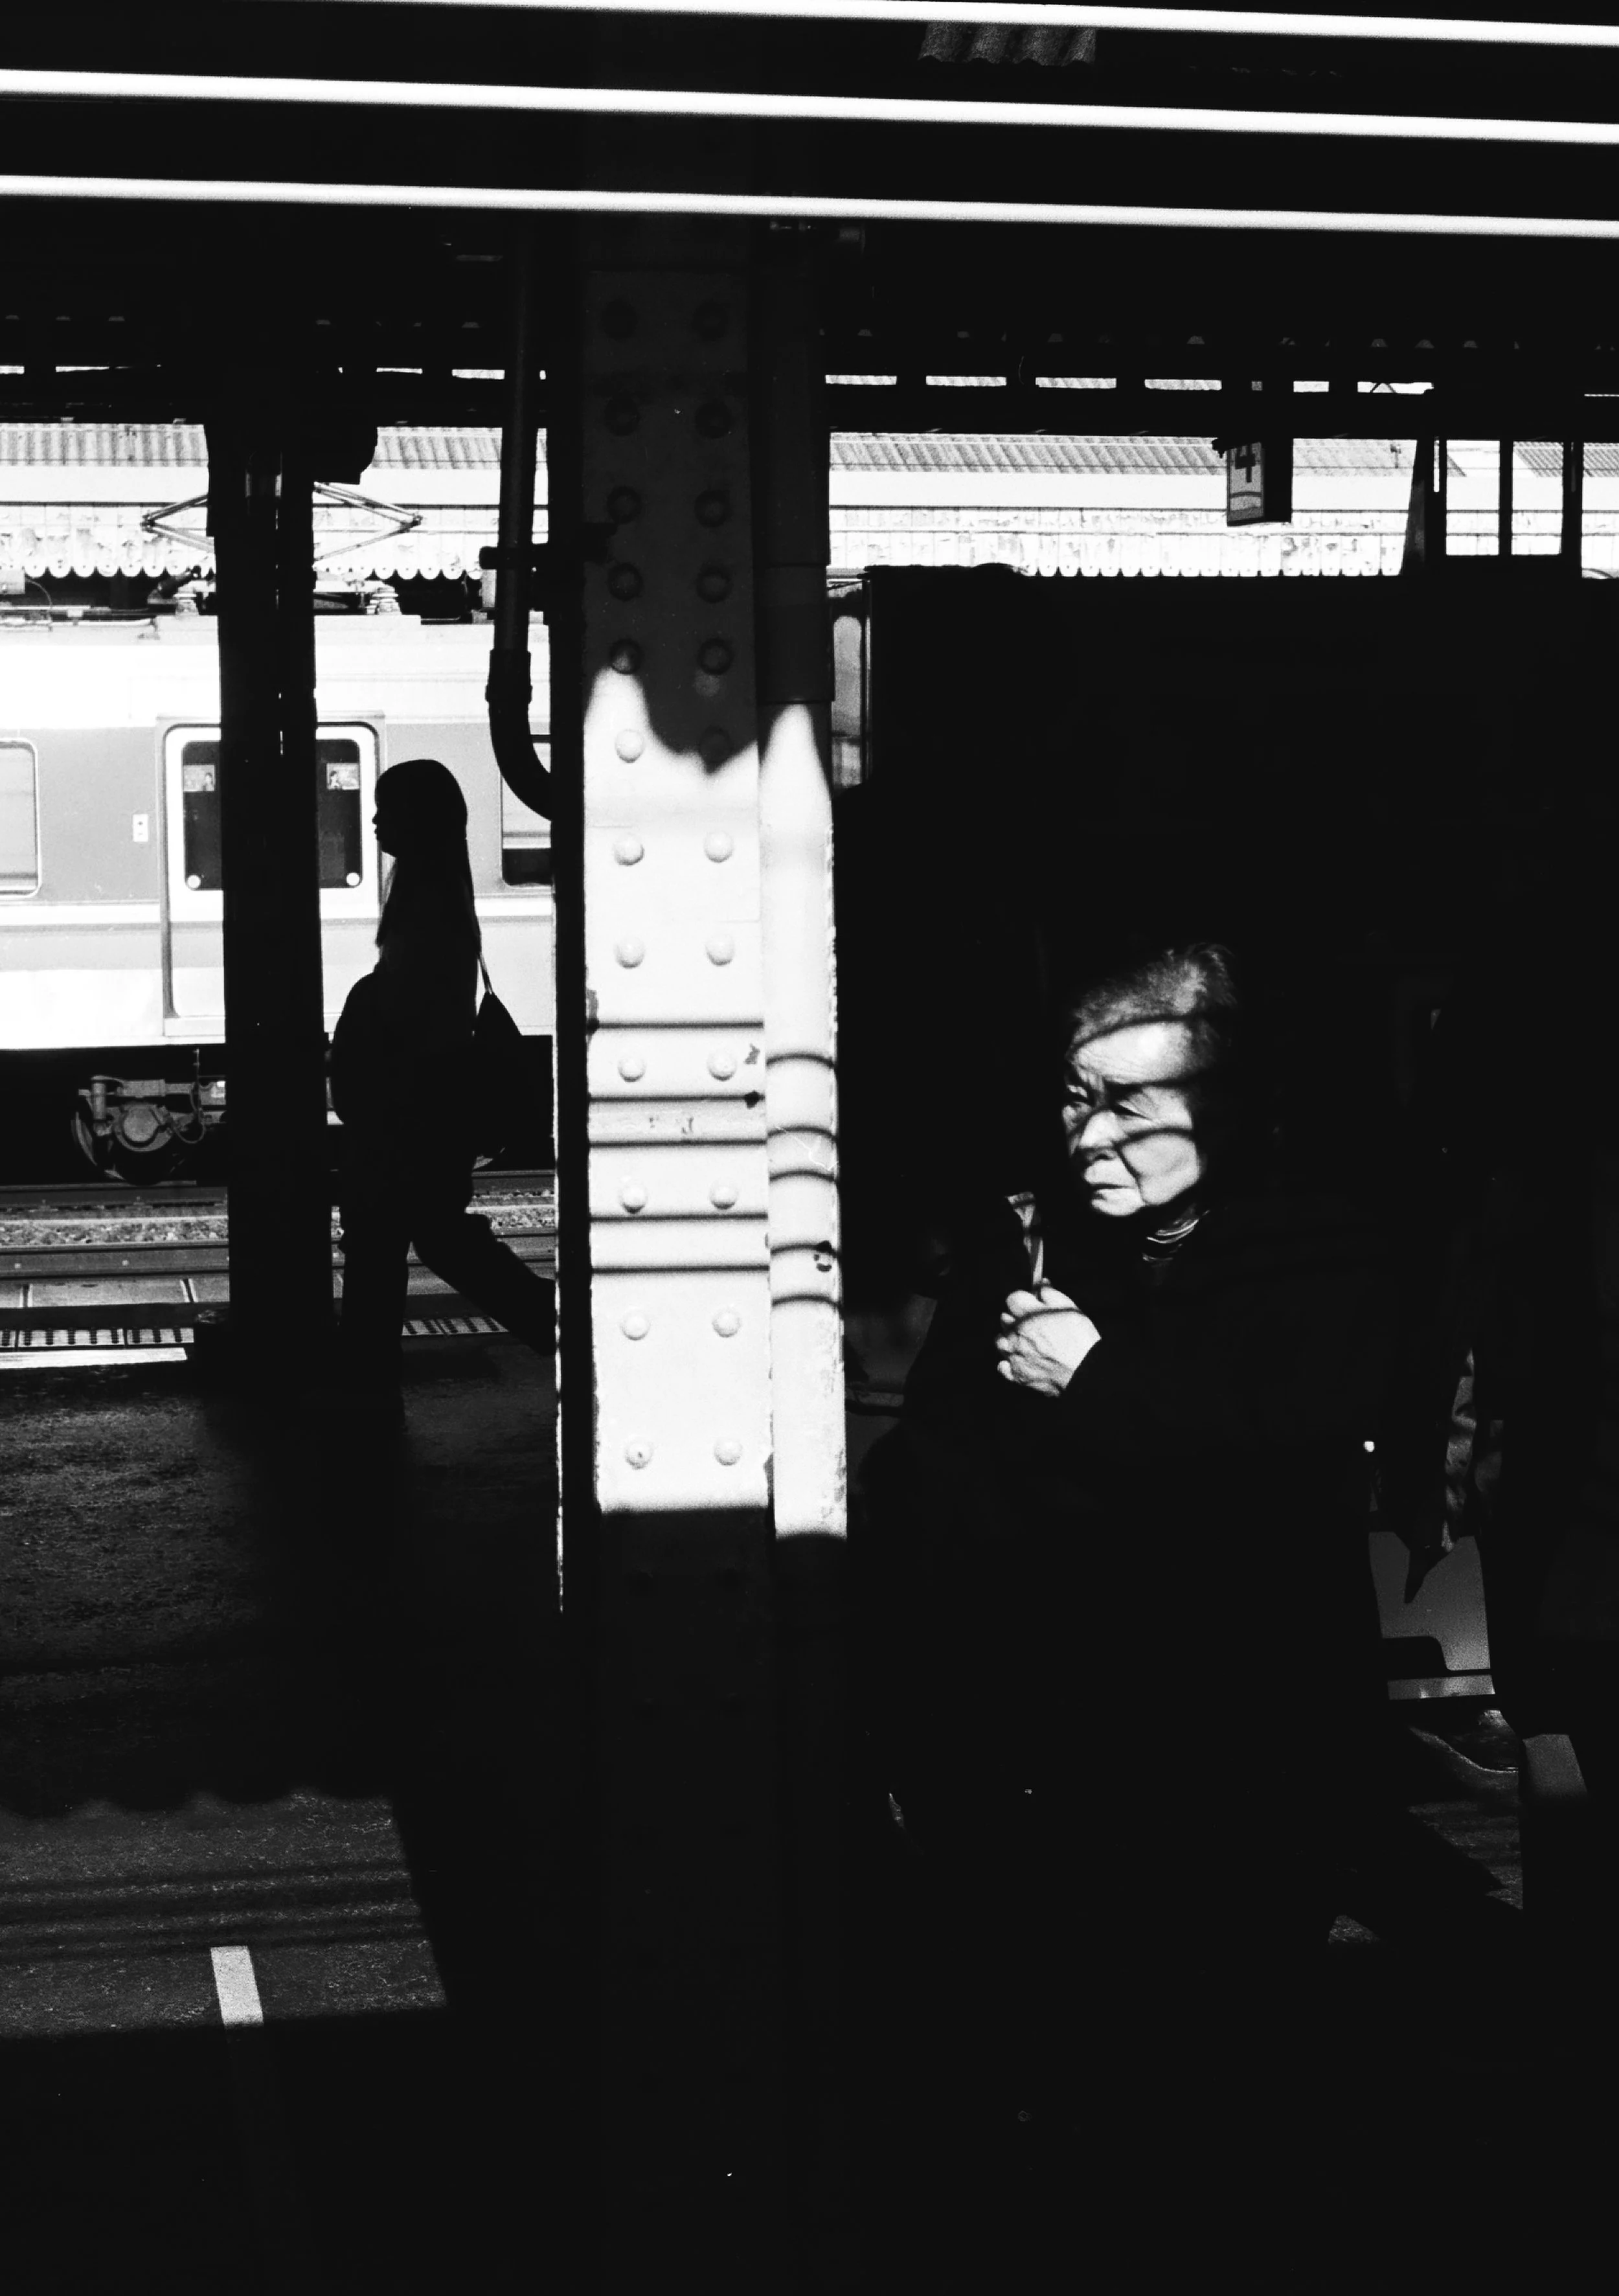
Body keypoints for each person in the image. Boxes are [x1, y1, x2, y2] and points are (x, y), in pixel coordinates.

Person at [852, 942, 1389, 2166]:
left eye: (1131, 1105)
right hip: (1053, 1755)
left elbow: (1284, 1478)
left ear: (1231, 1107)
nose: (1090, 1136)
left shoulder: (1317, 1253)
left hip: (1247, 1750)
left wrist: (1090, 1380)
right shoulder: (1024, 1254)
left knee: (1222, 2067)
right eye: (1072, 1096)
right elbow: (936, 1479)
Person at [330, 756, 554, 1404]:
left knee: (390, 1242)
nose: (374, 820)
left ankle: (368, 1382)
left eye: (388, 807)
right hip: (427, 1105)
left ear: (420, 818)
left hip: (410, 1109)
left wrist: (365, 1004)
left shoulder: (424, 893)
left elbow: (408, 1001)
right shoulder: (438, 884)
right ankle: (548, 1320)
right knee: (430, 1234)